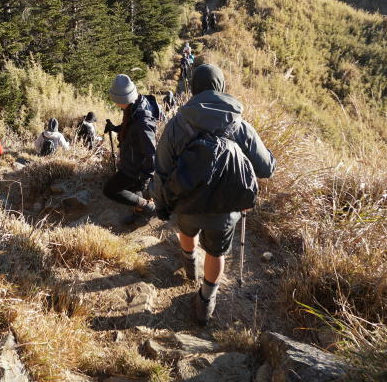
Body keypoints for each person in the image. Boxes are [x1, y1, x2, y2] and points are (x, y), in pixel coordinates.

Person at [154, 63, 276, 326]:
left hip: (186, 204)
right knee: (217, 253)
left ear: (194, 89)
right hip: (225, 208)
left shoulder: (177, 124)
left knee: (187, 232)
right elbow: (266, 168)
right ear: (221, 88)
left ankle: (189, 266)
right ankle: (206, 302)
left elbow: (162, 169)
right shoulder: (239, 125)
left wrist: (162, 205)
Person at [102, 74, 160, 225]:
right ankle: (140, 214)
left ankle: (149, 208)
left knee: (110, 190)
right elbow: (130, 128)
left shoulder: (142, 120)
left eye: (116, 101)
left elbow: (151, 152)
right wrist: (115, 128)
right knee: (135, 190)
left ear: (123, 99)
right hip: (133, 160)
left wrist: (146, 178)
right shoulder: (134, 106)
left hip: (135, 167)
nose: (115, 104)